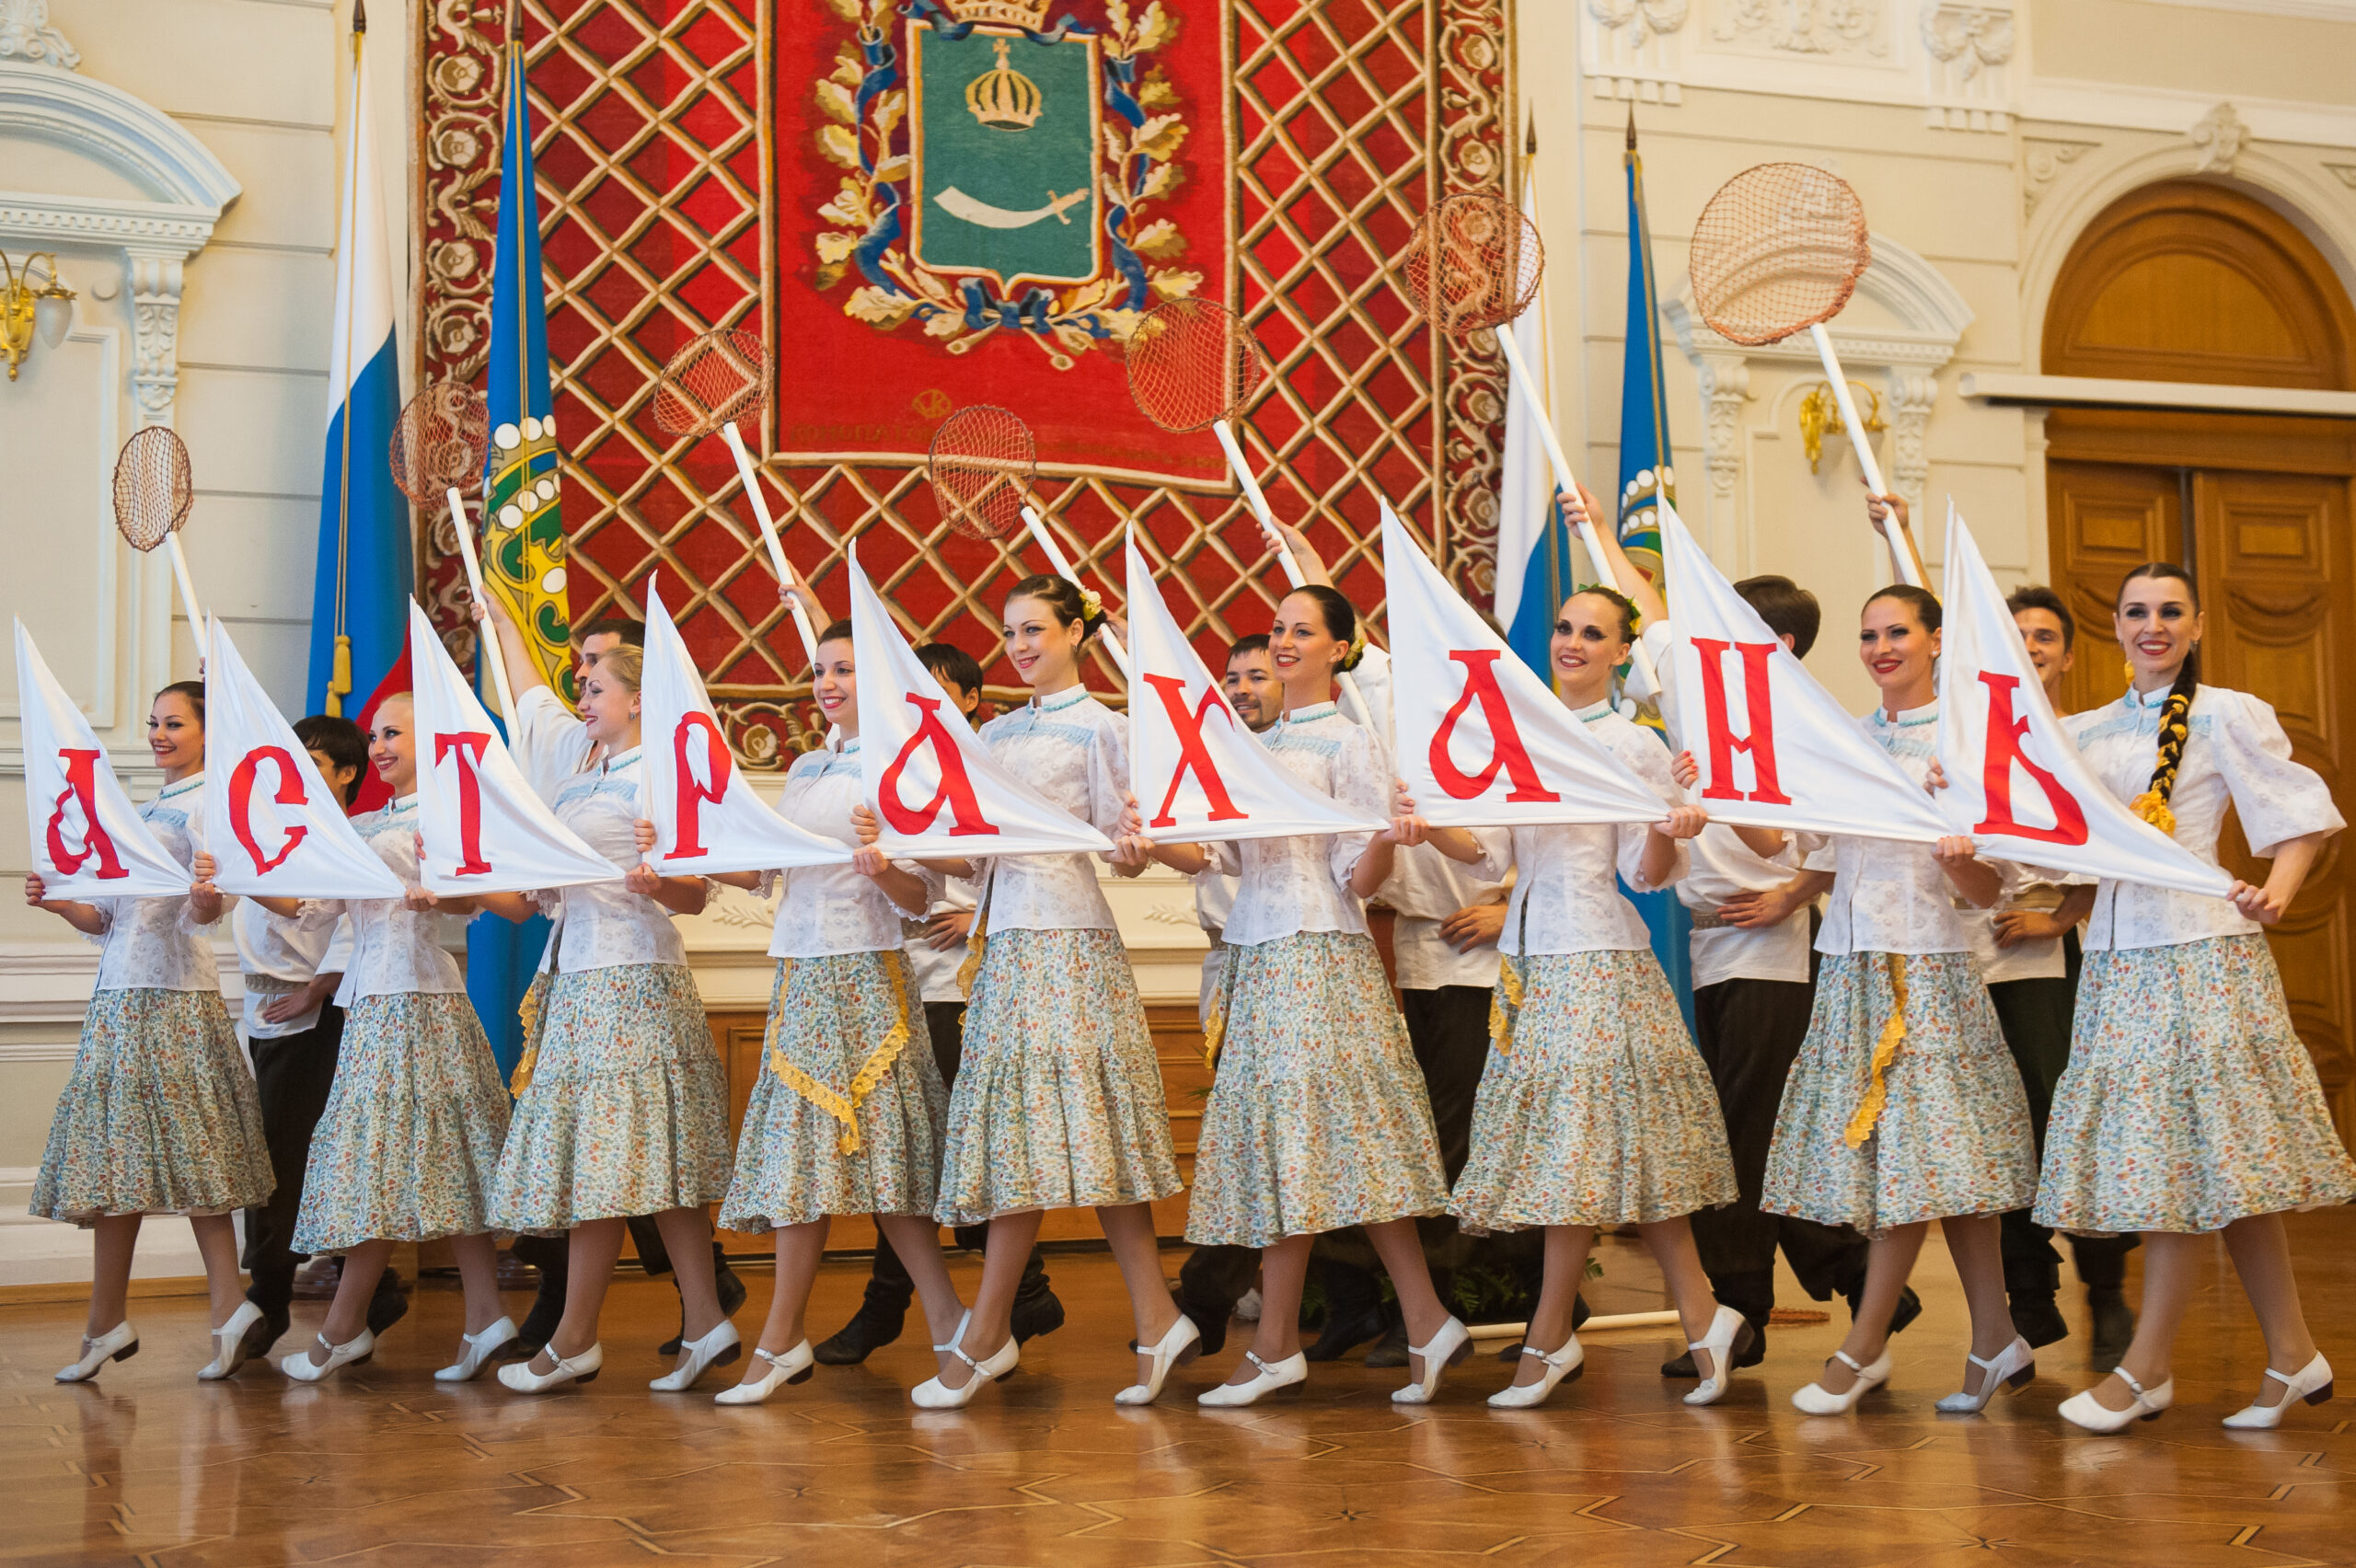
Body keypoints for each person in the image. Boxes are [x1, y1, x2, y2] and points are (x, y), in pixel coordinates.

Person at [1554, 488, 1899, 1375]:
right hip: (1706, 945)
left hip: (1769, 954)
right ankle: (1855, 1275)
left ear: (1775, 646)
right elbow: (1652, 609)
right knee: (1746, 1131)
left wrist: (1791, 894)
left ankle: (1740, 1312)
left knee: (1741, 1136)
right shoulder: (1697, 685)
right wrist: (1594, 528)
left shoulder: (1798, 726)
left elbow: (1830, 840)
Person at [1404, 585, 1749, 1409]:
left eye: (1593, 633)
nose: (1573, 643)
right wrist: (1420, 822)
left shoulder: (1633, 745)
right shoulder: (1520, 733)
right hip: (1528, 966)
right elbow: (1486, 856)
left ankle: (1558, 1339)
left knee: (1589, 1158)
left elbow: (1643, 875)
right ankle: (1691, 1319)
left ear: (1622, 653)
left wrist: (1670, 829)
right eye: (1565, 628)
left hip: (1598, 958)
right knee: (1590, 1160)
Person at [2039, 562, 2353, 1432]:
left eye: (2170, 611)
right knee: (2218, 1174)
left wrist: (2278, 895)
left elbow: (2300, 818)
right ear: (2116, 625)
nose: (2154, 625)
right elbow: (2045, 838)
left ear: (2198, 623)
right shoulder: (2085, 731)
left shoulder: (2225, 713)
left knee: (2179, 1166)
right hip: (2113, 968)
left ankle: (2145, 1372)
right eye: (2137, 611)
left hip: (2202, 955)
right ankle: (2293, 1355)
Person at [1149, 584, 1462, 1408]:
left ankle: (1284, 1345)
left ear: (1340, 649)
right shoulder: (1249, 744)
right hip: (1257, 958)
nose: (1283, 642)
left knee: (1313, 1152)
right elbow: (1218, 857)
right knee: (1315, 1154)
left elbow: (1353, 877)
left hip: (1321, 955)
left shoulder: (1351, 742)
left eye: (1301, 631)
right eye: (1278, 629)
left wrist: (1387, 847)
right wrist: (1148, 839)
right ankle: (1418, 1321)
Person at [1754, 541, 2040, 1417]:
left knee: (1921, 1167)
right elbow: (1796, 849)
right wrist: (1719, 793)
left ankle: (1863, 1346)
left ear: (1936, 641)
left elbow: (1990, 890)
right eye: (1871, 635)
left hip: (1929, 974)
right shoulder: (1845, 740)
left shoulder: (1966, 743)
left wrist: (1954, 855)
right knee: (1937, 1172)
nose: (1881, 649)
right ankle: (1994, 1338)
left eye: (1898, 634)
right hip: (1849, 970)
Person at [906, 576, 1188, 1409]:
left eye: (1034, 630)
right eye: (1010, 633)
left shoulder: (1105, 727)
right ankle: (1157, 1317)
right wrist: (907, 847)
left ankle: (986, 1336)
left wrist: (1136, 851)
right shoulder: (991, 733)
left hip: (1068, 943)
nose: (1020, 646)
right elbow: (977, 858)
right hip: (1004, 949)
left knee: (1058, 1141)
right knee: (1046, 1144)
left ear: (1077, 633)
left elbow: (1123, 843)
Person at [689, 613, 968, 1404]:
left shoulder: (903, 767)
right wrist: (692, 840)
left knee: (887, 1167)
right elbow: (763, 873)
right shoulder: (809, 765)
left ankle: (941, 1322)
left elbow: (922, 895)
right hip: (801, 974)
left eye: (844, 669)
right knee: (797, 1165)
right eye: (820, 670)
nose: (828, 684)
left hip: (866, 976)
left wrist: (882, 866)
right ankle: (795, 1338)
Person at [475, 597, 745, 1355]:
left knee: (606, 1163)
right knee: (649, 1165)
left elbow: (695, 890)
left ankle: (573, 1341)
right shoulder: (579, 771)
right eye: (582, 683)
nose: (581, 691)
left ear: (636, 699)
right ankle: (708, 1321)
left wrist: (657, 882)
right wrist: (500, 623)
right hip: (578, 977)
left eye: (595, 685)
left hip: (630, 982)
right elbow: (529, 701)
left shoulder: (657, 774)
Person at [246, 695, 518, 1381]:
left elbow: (478, 897)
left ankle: (341, 1329)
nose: (378, 746)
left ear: (431, 739)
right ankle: (486, 1317)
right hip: (371, 1006)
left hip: (419, 1000)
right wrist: (245, 874)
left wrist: (444, 892)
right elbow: (312, 912)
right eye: (374, 736)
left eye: (393, 732)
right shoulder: (363, 822)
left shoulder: (447, 814)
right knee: (432, 1163)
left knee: (389, 1165)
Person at [815, 639, 1063, 1367]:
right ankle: (1015, 1295)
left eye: (942, 690)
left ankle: (957, 1300)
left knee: (954, 1154)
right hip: (895, 984)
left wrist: (972, 914)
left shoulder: (972, 760)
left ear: (971, 703)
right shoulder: (891, 765)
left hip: (959, 990)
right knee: (922, 1157)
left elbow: (1003, 858)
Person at [31, 682, 275, 1383]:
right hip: (117, 995)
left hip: (173, 995)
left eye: (175, 722)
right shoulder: (141, 808)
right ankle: (107, 1321)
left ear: (207, 731)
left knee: (195, 1154)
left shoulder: (210, 802)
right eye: (154, 723)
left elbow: (210, 907)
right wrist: (58, 902)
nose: (159, 734)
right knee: (117, 1164)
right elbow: (106, 917)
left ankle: (228, 1304)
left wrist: (206, 897)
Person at [1992, 582, 2135, 1369]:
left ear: (2069, 653)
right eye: (2016, 635)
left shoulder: (2086, 739)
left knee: (2064, 1119)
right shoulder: (1968, 734)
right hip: (1968, 954)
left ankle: (2106, 1289)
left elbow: (2113, 844)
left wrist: (2059, 917)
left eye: (2044, 636)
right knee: (1997, 1126)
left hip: (2049, 956)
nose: (2031, 646)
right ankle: (2026, 1292)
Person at [235, 715, 381, 1358]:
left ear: (348, 773)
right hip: (267, 1011)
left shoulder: (349, 839)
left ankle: (268, 1298)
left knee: (285, 1157)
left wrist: (317, 989)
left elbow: (352, 923)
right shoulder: (280, 832)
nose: (300, 772)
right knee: (277, 1154)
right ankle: (376, 1295)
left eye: (317, 763)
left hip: (319, 1016)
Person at [1171, 635, 1281, 1355]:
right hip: (1224, 965)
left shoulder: (1295, 763)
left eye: (1256, 676)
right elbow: (1201, 854)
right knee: (1243, 1133)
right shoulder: (1216, 763)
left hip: (1285, 963)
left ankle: (1207, 1294)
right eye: (1232, 678)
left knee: (1269, 1134)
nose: (1241, 689)